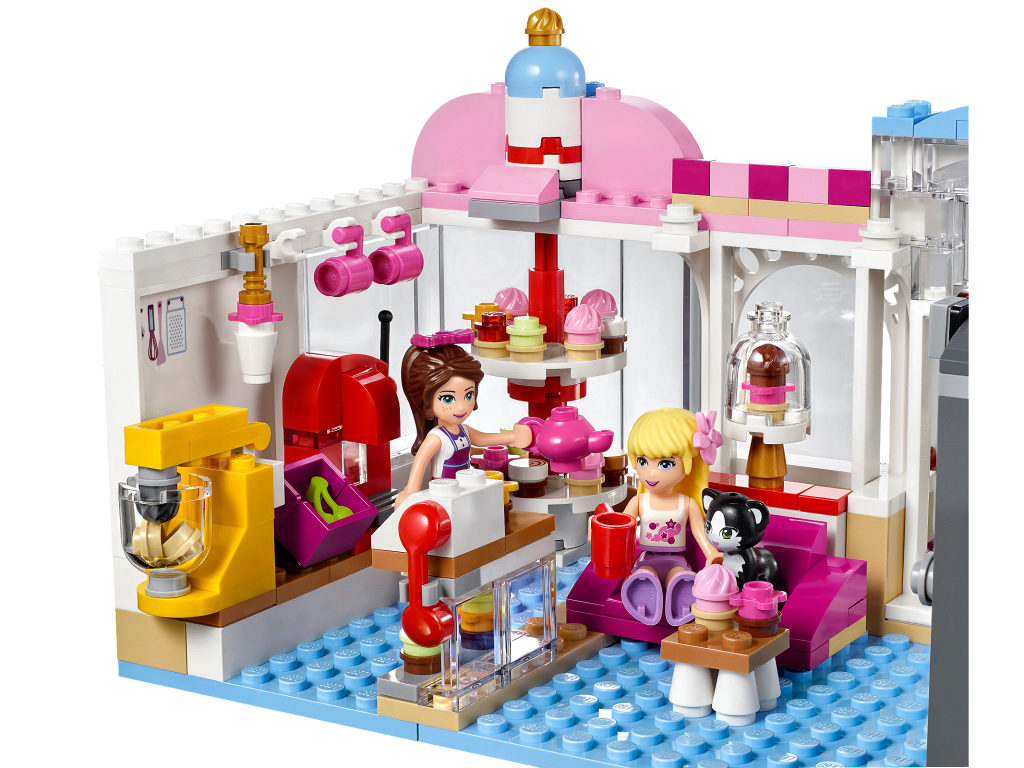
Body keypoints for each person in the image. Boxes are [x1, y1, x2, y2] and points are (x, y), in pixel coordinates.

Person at [607, 407, 724, 625]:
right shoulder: (639, 501)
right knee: (644, 574)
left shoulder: (687, 503)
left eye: (665, 464)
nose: (651, 473)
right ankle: (643, 592)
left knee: (680, 577)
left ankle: (680, 593)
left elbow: (699, 531)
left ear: (689, 463)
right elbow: (623, 528)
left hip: (677, 561)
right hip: (646, 560)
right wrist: (603, 532)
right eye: (642, 462)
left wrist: (712, 554)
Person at [394, 336, 533, 510]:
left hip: (466, 491)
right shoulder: (436, 438)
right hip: (443, 495)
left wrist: (513, 437)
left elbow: (483, 439)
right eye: (448, 398)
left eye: (468, 395)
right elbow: (420, 465)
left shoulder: (463, 430)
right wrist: (410, 492)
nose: (460, 407)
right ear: (426, 401)